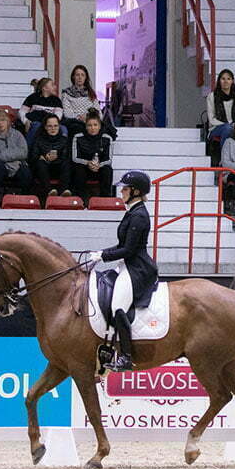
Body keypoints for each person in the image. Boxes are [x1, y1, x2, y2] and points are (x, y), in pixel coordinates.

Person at [85, 171, 158, 372]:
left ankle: (126, 357)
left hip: (138, 268)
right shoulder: (132, 211)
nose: (121, 192)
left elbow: (129, 250)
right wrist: (101, 253)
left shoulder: (139, 215)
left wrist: (103, 256)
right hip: (128, 264)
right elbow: (122, 245)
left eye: (125, 189)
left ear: (136, 191)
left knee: (118, 306)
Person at [0, 109, 31, 203]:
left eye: (3, 120)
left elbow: (24, 153)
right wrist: (13, 156)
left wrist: (2, 154)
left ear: (8, 121)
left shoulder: (17, 134)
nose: (0, 123)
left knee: (25, 171)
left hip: (16, 165)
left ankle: (24, 201)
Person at [71, 111, 114, 201]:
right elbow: (75, 158)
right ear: (86, 126)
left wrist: (98, 165)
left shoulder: (107, 138)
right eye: (89, 125)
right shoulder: (78, 137)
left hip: (99, 168)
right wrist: (88, 163)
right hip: (84, 167)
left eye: (95, 125)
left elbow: (109, 159)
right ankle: (80, 199)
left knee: (107, 169)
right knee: (78, 169)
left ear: (100, 126)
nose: (93, 128)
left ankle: (105, 199)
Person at [30, 115, 71, 198]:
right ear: (45, 127)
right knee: (40, 163)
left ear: (59, 126)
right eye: (50, 126)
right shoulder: (38, 139)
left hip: (59, 169)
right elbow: (32, 157)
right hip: (43, 170)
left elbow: (66, 156)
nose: (53, 128)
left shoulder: (64, 140)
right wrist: (43, 157)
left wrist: (56, 158)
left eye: (55, 126)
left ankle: (63, 191)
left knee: (67, 163)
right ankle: (49, 191)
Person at [21, 77, 64, 145]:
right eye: (52, 85)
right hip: (35, 122)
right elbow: (22, 112)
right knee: (36, 126)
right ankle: (28, 148)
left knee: (64, 129)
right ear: (45, 88)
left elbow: (58, 115)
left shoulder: (56, 100)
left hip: (51, 123)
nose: (55, 87)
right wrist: (26, 121)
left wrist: (50, 124)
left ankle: (60, 149)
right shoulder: (32, 98)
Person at [206, 69, 235, 146]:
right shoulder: (212, 96)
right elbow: (211, 119)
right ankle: (225, 153)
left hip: (234, 126)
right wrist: (228, 125)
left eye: (228, 79)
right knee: (228, 129)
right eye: (223, 79)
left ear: (232, 81)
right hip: (216, 127)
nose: (226, 81)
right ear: (219, 81)